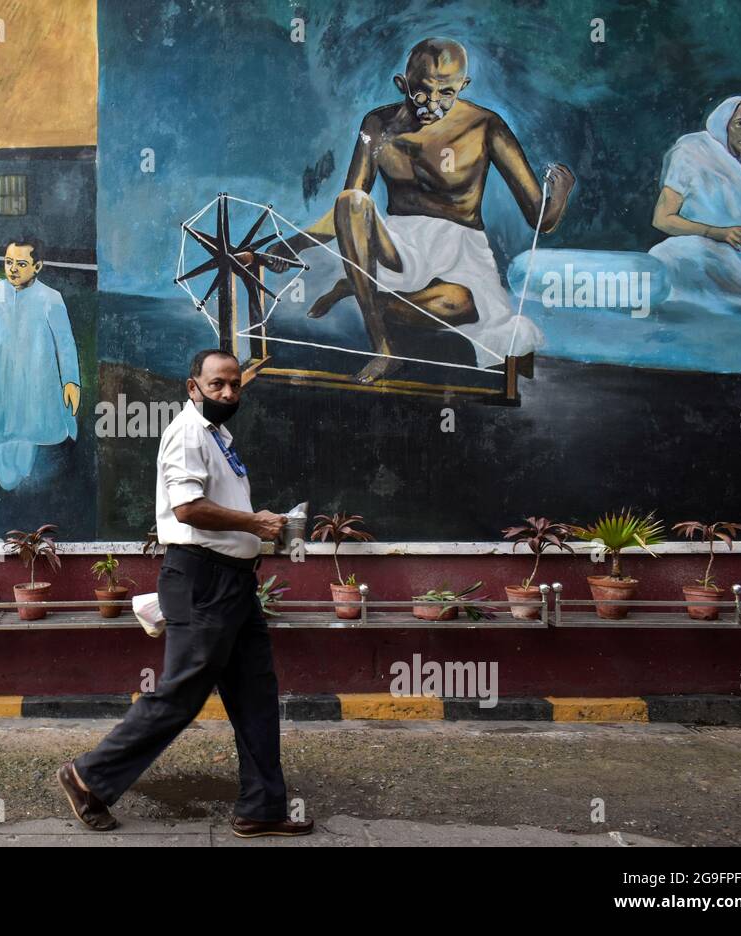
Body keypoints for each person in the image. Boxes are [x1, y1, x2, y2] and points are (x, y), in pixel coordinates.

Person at [57, 349, 311, 838]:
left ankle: (262, 807)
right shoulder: (188, 433)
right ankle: (88, 776)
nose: (228, 393)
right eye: (216, 384)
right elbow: (188, 509)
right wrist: (255, 522)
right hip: (203, 581)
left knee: (256, 692)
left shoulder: (218, 437)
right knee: (180, 694)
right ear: (191, 386)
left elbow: (217, 509)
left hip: (233, 583)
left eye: (235, 385)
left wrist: (257, 532)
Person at [295, 37, 575, 381]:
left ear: (463, 86)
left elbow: (540, 220)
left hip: (461, 252)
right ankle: (382, 347)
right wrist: (295, 243)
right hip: (398, 246)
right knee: (351, 200)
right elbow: (348, 209)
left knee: (459, 305)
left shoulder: (486, 126)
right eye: (422, 93)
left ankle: (356, 287)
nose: (433, 104)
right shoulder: (377, 126)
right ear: (403, 84)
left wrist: (560, 194)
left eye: (447, 94)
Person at [649, 96, 741, 313]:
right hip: (715, 248)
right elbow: (662, 219)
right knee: (668, 254)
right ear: (724, 123)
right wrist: (720, 233)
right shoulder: (691, 151)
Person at [0, 237, 79, 490]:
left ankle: (23, 478)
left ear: (37, 266)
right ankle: (7, 480)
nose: (12, 269)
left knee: (31, 429)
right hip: (1, 378)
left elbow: (66, 344)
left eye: (20, 263)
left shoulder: (51, 298)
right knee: (1, 431)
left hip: (38, 379)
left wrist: (71, 381)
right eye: (8, 262)